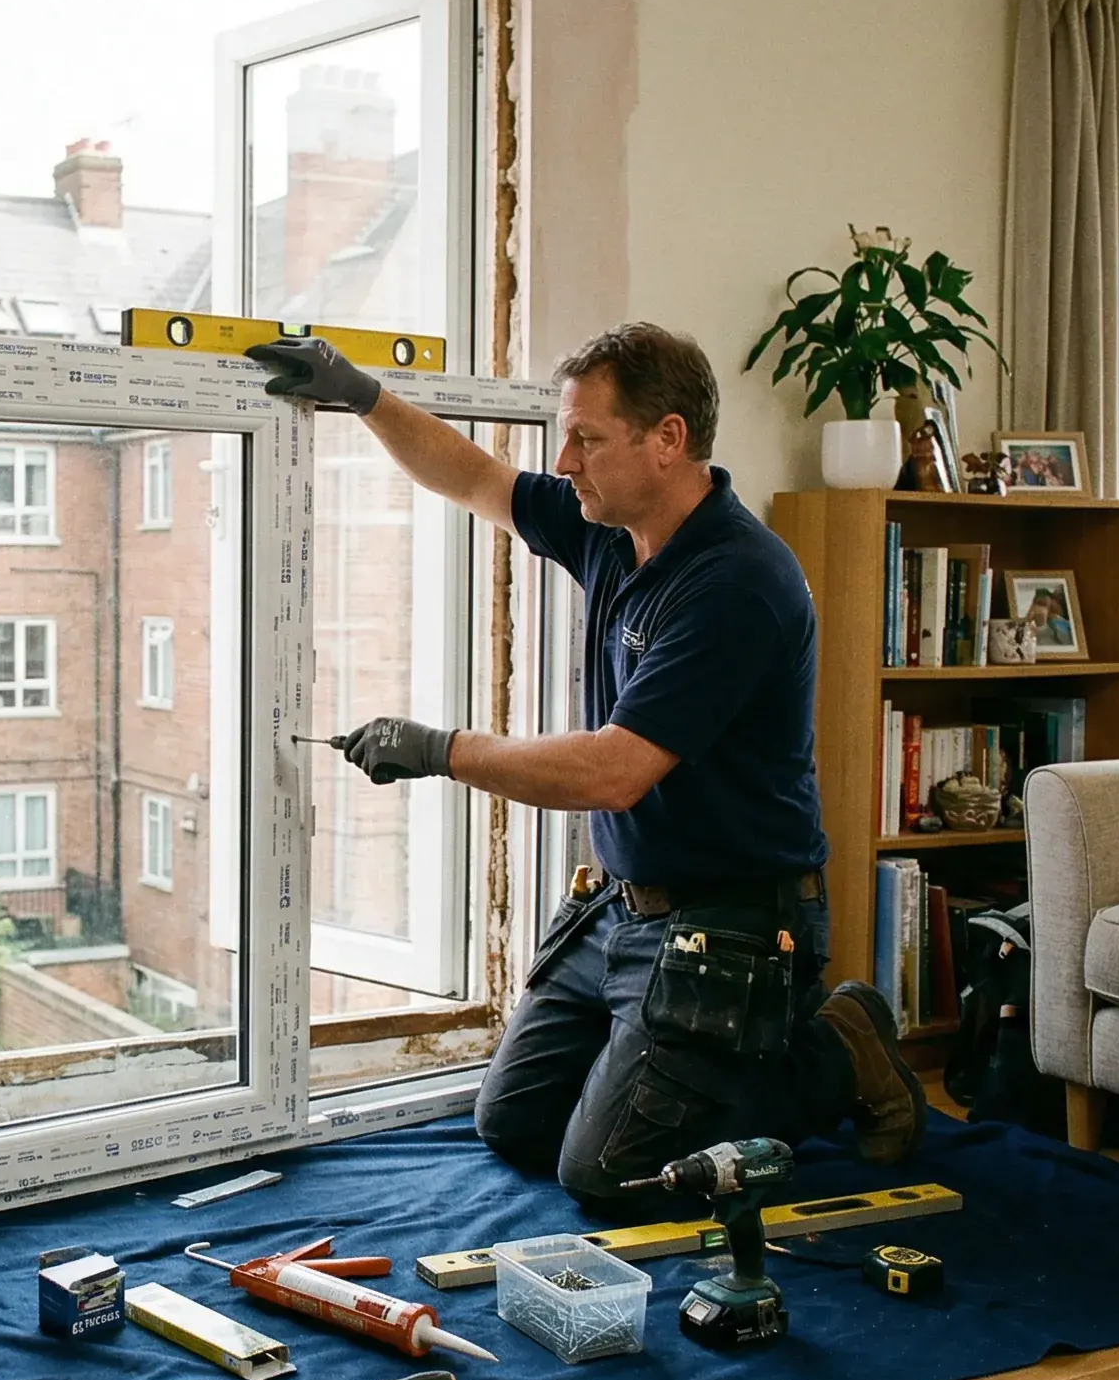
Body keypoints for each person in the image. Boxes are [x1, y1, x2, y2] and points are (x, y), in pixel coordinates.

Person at [248, 325, 925, 1209]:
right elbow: (478, 480)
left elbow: (615, 772)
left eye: (587, 439)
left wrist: (438, 751)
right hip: (622, 907)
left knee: (604, 1175)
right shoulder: (615, 526)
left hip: (735, 923)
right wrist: (361, 393)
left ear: (668, 440)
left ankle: (839, 1047)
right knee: (512, 1123)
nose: (564, 460)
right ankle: (673, 1069)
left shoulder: (736, 584)